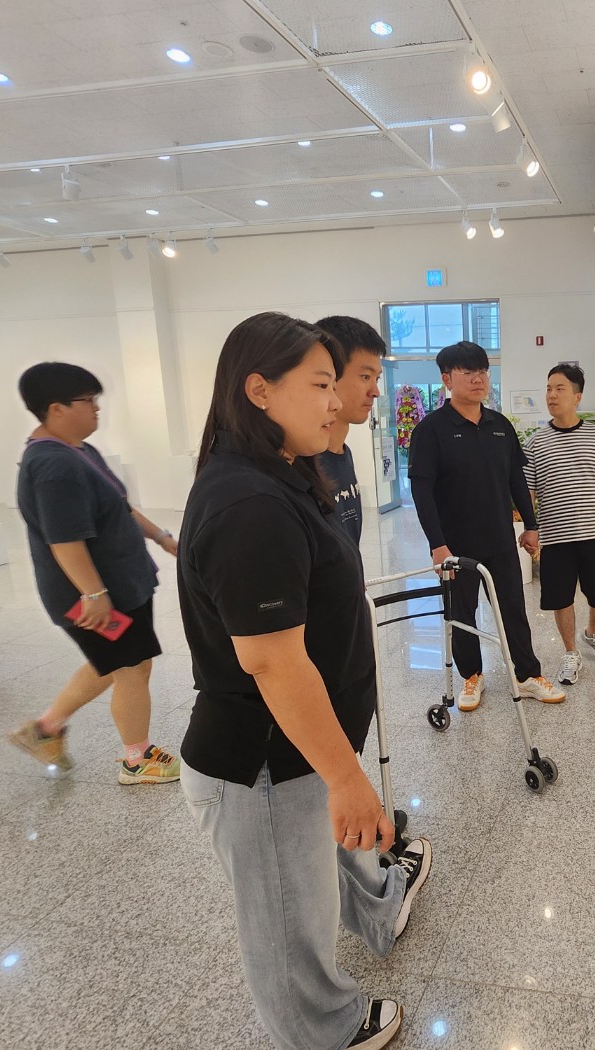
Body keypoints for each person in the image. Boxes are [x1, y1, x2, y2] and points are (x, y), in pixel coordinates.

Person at [176, 313, 431, 1050]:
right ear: (259, 390)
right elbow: (272, 661)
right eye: (321, 385)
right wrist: (347, 778)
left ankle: (374, 919)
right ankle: (326, 1033)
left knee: (309, 890)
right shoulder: (250, 504)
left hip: (294, 753)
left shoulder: (280, 476)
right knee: (288, 923)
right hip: (259, 762)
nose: (337, 401)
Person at [6, 362, 181, 785]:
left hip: (117, 585)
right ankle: (137, 761)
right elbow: (65, 540)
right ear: (56, 408)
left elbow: (119, 505)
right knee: (131, 668)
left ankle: (45, 729)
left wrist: (161, 538)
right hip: (95, 595)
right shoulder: (54, 465)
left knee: (117, 662)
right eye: (87, 401)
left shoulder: (78, 450)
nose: (97, 409)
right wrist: (93, 594)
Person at [406, 340, 566, 710]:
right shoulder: (431, 430)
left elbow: (515, 478)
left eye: (483, 371)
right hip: (455, 545)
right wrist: (437, 545)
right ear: (447, 379)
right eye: (468, 372)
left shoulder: (500, 426)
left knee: (513, 609)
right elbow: (422, 492)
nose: (478, 379)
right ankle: (472, 676)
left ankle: (526, 675)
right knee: (461, 613)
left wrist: (531, 524)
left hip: (499, 540)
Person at [523, 363, 595, 685]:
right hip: (556, 539)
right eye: (548, 389)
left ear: (577, 396)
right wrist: (530, 527)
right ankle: (570, 651)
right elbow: (528, 491)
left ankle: (592, 633)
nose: (552, 395)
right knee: (560, 598)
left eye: (560, 389)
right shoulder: (535, 442)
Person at [314, 315, 386, 547]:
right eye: (365, 377)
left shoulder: (343, 454)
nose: (375, 391)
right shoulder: (304, 464)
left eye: (376, 378)